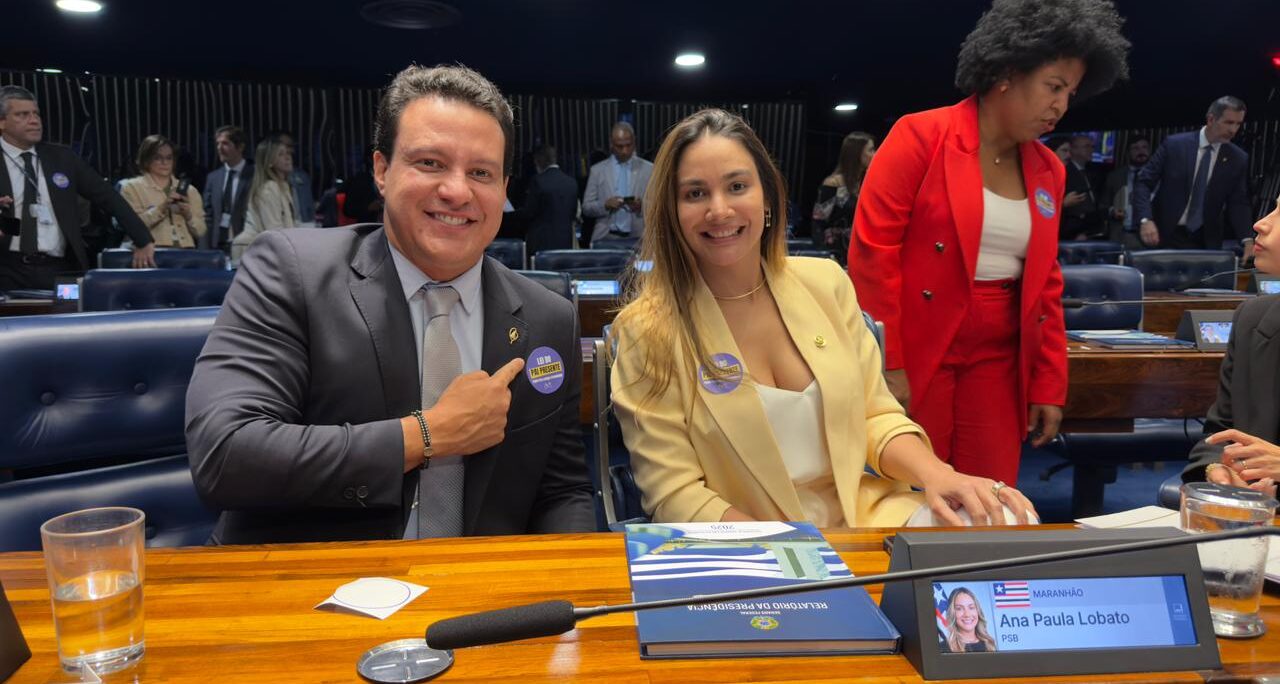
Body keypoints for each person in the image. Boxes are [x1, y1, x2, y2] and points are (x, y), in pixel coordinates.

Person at [186, 64, 595, 544]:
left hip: (480, 582)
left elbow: (561, 491)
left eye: (481, 173)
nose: (457, 191)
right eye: (431, 163)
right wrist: (425, 435)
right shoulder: (291, 271)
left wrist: (573, 583)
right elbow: (225, 455)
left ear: (504, 189)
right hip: (311, 579)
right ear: (382, 170)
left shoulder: (549, 317)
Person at [609, 108, 1036, 528]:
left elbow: (876, 416)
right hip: (749, 539)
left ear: (767, 197)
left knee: (1008, 520)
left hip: (862, 517)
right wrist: (793, 552)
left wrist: (940, 474)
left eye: (737, 186)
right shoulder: (645, 330)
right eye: (695, 194)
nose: (719, 210)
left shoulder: (826, 282)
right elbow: (675, 493)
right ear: (671, 212)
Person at [848, 0, 1130, 484]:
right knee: (911, 489)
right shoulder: (920, 136)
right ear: (1006, 73)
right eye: (1053, 87)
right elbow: (873, 255)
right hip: (919, 340)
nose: (1061, 106)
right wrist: (887, 363)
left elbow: (1045, 283)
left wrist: (1048, 384)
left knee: (993, 492)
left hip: (1001, 353)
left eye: (1070, 92)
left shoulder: (1049, 169)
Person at [0, 85, 155, 289]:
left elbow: (107, 196)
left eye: (36, 113)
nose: (34, 120)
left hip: (61, 269)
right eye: (22, 114)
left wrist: (143, 239)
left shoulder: (63, 158)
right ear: (2, 122)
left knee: (70, 309)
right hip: (6, 269)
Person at [1184, 190, 1280, 498]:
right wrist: (1219, 470)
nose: (1261, 224)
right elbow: (1219, 434)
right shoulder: (1252, 319)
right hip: (1252, 516)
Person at [1132, 96, 1251, 250]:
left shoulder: (1238, 158)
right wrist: (1145, 219)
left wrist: (1247, 239)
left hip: (1207, 239)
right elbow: (1143, 182)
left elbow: (1238, 202)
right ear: (1211, 119)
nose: (1233, 130)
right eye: (1228, 122)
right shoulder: (1175, 145)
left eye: (1238, 124)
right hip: (1165, 233)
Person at [119, 135, 207, 248]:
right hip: (150, 251)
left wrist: (188, 215)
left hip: (185, 252)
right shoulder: (131, 188)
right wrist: (162, 208)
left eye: (169, 158)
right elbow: (132, 226)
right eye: (158, 158)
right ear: (146, 160)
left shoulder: (190, 190)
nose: (164, 162)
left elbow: (200, 232)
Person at [231, 137, 300, 262]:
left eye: (288, 153)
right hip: (253, 250)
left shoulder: (284, 186)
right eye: (281, 154)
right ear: (269, 162)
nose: (287, 157)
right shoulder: (269, 188)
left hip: (267, 249)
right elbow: (275, 231)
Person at [583, 122, 653, 244]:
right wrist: (605, 205)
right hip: (605, 237)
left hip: (638, 239)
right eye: (619, 146)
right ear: (611, 144)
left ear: (634, 142)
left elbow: (659, 205)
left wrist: (641, 206)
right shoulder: (597, 171)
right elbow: (586, 207)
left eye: (628, 145)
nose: (625, 151)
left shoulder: (649, 169)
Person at [811, 132, 874, 264]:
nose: (875, 154)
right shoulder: (833, 184)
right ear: (857, 153)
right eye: (871, 150)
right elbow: (818, 222)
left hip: (861, 250)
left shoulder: (868, 183)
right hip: (835, 252)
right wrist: (822, 256)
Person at [517, 144, 579, 256]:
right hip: (566, 242)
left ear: (539, 161)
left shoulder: (538, 181)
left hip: (541, 244)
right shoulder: (571, 183)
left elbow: (529, 213)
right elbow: (573, 213)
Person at [201, 125, 254, 253]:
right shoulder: (213, 178)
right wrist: (204, 249)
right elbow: (207, 216)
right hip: (217, 245)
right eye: (218, 144)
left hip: (245, 243)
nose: (219, 148)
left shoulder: (254, 175)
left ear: (240, 147)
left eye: (225, 143)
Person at [1100, 136, 1151, 247]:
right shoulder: (1115, 176)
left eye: (1144, 147)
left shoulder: (1159, 176)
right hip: (1122, 234)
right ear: (1128, 152)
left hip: (1151, 235)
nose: (1141, 151)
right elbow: (1103, 206)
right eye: (1135, 148)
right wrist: (1113, 211)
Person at [1059, 134, 1104, 241]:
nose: (1091, 150)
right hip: (1072, 234)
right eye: (1087, 146)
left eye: (1092, 147)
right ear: (1073, 150)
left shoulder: (1093, 171)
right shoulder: (1064, 172)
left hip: (1092, 230)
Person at [269, 130, 317, 226]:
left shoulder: (302, 177)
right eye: (282, 152)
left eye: (291, 147)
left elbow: (309, 214)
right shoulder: (267, 188)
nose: (289, 153)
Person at [943, 587, 997, 653]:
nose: (967, 614)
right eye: (959, 609)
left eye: (971, 607)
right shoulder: (943, 648)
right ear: (952, 613)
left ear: (978, 611)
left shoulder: (989, 644)